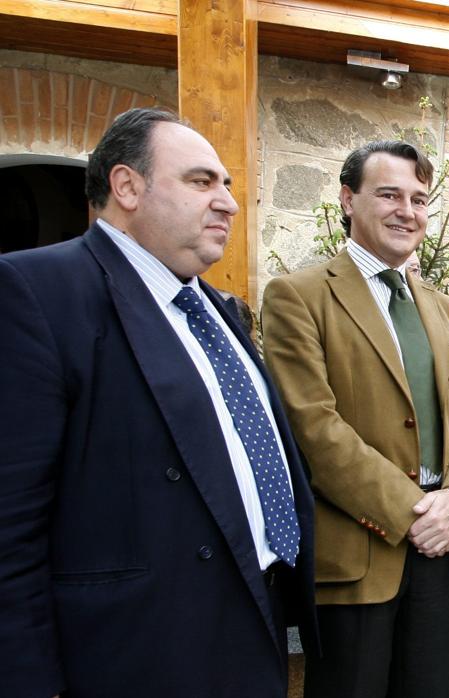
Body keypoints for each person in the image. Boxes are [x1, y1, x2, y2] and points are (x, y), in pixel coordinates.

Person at [0, 107, 316, 697]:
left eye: (227, 184)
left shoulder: (220, 310)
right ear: (127, 186)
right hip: (140, 652)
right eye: (201, 182)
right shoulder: (36, 291)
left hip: (253, 622)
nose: (227, 201)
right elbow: (10, 527)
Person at [261, 140, 449, 698]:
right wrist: (413, 512)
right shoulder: (298, 296)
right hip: (360, 558)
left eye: (418, 199)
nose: (406, 211)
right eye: (389, 194)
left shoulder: (441, 306)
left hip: (442, 550)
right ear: (347, 199)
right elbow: (313, 427)